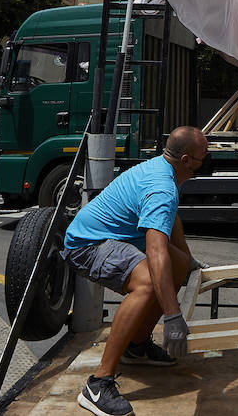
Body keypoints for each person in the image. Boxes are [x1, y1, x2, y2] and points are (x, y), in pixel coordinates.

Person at [63, 126, 209, 416]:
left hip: (112, 237)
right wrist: (173, 316)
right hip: (87, 244)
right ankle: (98, 384)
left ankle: (137, 346)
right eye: (203, 156)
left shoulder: (167, 171)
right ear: (186, 160)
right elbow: (155, 251)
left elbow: (170, 217)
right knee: (146, 281)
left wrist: (188, 259)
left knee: (177, 263)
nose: (207, 159)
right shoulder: (161, 187)